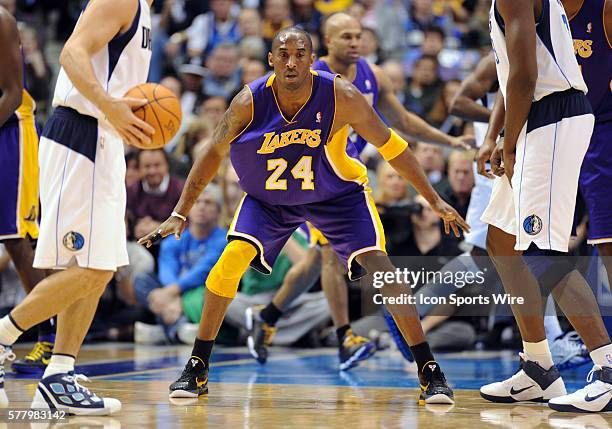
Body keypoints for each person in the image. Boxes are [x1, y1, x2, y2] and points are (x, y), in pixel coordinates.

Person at [140, 27, 468, 405]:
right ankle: (197, 366)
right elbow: (212, 155)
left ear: (313, 59)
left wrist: (433, 200)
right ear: (271, 59)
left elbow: (393, 147)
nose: (292, 61)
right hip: (271, 199)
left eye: (300, 54)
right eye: (283, 54)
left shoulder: (341, 95)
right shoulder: (249, 101)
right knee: (228, 264)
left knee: (382, 268)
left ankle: (429, 371)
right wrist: (180, 212)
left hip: (336, 195)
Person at [243, 12, 474, 371]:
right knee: (330, 257)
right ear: (327, 43)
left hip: (348, 180)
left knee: (312, 264)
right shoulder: (306, 74)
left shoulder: (372, 75)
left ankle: (268, 316)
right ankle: (345, 338)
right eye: (346, 37)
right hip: (309, 179)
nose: (355, 43)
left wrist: (448, 140)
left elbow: (402, 123)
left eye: (359, 36)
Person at [0, 0, 154, 415]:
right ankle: (3, 337)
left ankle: (59, 376)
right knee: (93, 266)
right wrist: (109, 105)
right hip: (82, 132)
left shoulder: (145, 10)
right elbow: (71, 53)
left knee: (96, 265)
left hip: (102, 138)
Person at [477, 0, 612, 414]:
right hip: (535, 115)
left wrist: (509, 141)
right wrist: (494, 135)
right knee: (501, 240)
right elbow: (511, 75)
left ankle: (608, 368)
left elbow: (525, 77)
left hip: (552, 117)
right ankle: (539, 367)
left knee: (543, 255)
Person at [0, 6, 55, 377]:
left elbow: (11, 92)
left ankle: (49, 335)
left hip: (10, 130)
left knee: (16, 239)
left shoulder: (1, 20)